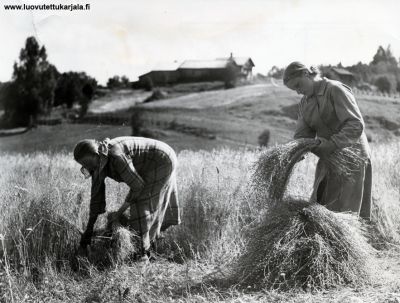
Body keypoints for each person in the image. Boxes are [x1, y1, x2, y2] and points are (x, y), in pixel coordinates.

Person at [283, 61, 372, 220]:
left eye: (298, 85)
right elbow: (303, 135)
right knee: (322, 203)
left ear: (306, 73)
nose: (298, 92)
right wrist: (293, 153)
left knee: (347, 211)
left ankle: (350, 241)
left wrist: (332, 144)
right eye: (294, 89)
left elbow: (355, 124)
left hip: (352, 156)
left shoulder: (334, 89)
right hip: (328, 157)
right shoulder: (305, 102)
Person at [73, 136, 181, 257]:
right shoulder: (97, 162)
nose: (89, 168)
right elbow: (96, 199)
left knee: (141, 205)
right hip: (153, 161)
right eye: (84, 165)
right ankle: (149, 245)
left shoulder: (116, 156)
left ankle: (142, 254)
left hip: (161, 160)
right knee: (144, 205)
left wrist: (118, 213)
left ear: (96, 154)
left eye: (89, 163)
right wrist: (89, 229)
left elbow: (138, 186)